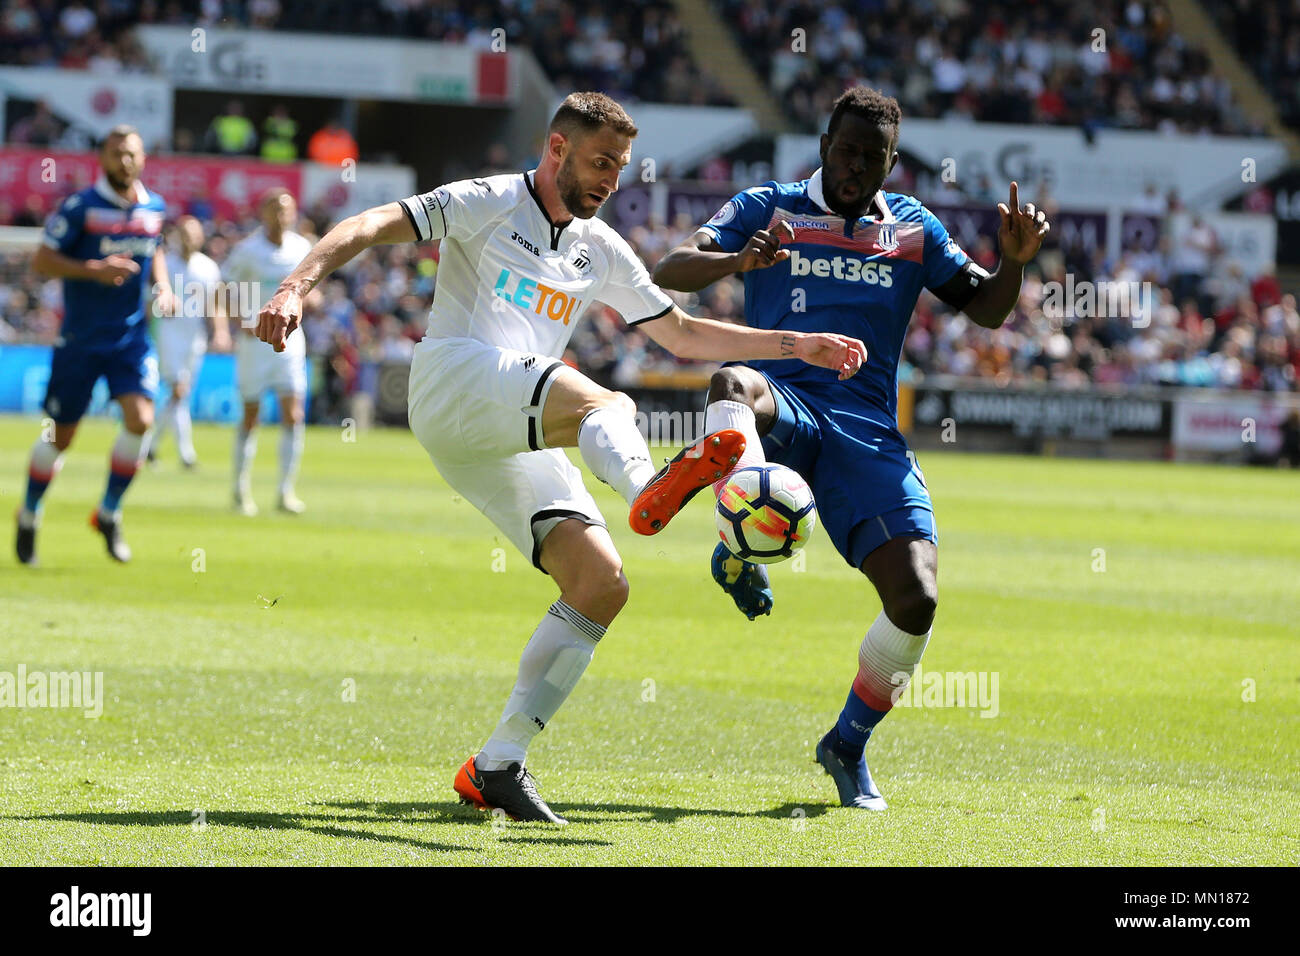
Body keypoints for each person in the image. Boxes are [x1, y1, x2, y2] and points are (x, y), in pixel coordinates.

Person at [255, 92, 866, 824]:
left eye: (621, 167)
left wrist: (797, 346)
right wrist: (295, 288)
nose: (611, 178)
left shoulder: (598, 247)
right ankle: (650, 487)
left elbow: (681, 335)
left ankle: (498, 763)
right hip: (454, 378)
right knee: (608, 406)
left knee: (601, 583)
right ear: (556, 149)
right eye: (601, 161)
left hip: (508, 430)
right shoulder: (485, 200)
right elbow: (369, 223)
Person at [653, 86, 1050, 811]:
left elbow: (986, 307)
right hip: (785, 407)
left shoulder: (912, 228)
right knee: (732, 382)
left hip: (866, 431)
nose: (856, 166)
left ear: (892, 162)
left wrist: (1016, 262)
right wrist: (739, 260)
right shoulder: (767, 206)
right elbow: (670, 267)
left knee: (917, 598)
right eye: (846, 150)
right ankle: (736, 519)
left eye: (874, 156)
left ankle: (846, 743)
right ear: (825, 143)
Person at [16, 125, 176, 565]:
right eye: (116, 153)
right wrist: (94, 269)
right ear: (102, 158)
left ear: (143, 159)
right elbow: (43, 260)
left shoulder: (154, 207)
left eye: (133, 154)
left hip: (130, 339)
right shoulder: (81, 207)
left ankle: (108, 512)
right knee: (60, 437)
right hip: (80, 341)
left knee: (142, 420)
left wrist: (162, 287)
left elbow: (155, 248)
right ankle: (29, 514)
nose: (125, 161)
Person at [225, 189, 313, 515]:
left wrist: (309, 302)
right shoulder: (247, 250)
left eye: (287, 209)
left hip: (290, 342)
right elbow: (226, 287)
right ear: (263, 212)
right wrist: (238, 322)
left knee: (294, 414)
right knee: (252, 415)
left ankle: (285, 492)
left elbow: (311, 289)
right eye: (275, 208)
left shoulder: (302, 248)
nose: (281, 215)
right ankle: (240, 490)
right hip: (254, 344)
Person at [151, 215, 229, 468]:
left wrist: (220, 332)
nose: (189, 238)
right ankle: (187, 454)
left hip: (194, 337)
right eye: (184, 233)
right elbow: (151, 297)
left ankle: (150, 446)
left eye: (194, 233)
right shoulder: (165, 264)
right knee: (178, 390)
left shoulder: (208, 268)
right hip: (169, 333)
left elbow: (215, 305)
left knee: (179, 396)